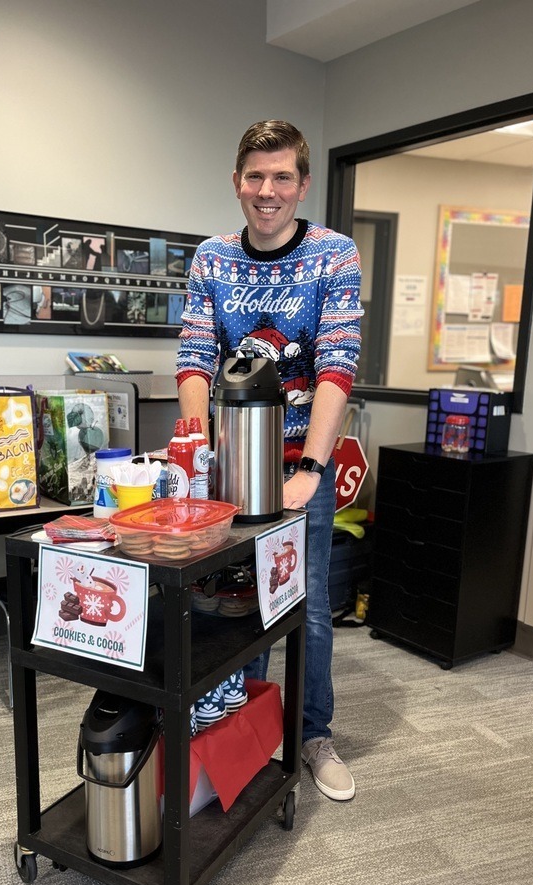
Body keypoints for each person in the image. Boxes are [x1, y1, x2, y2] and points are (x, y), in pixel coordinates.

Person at [175, 119, 363, 802]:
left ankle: (314, 735)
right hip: (228, 469)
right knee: (232, 606)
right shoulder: (211, 258)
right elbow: (196, 356)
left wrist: (309, 473)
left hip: (299, 467)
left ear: (302, 184)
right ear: (236, 183)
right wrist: (197, 448)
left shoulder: (334, 255)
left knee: (304, 608)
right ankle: (242, 730)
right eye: (255, 176)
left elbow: (337, 366)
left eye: (282, 176)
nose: (267, 190)